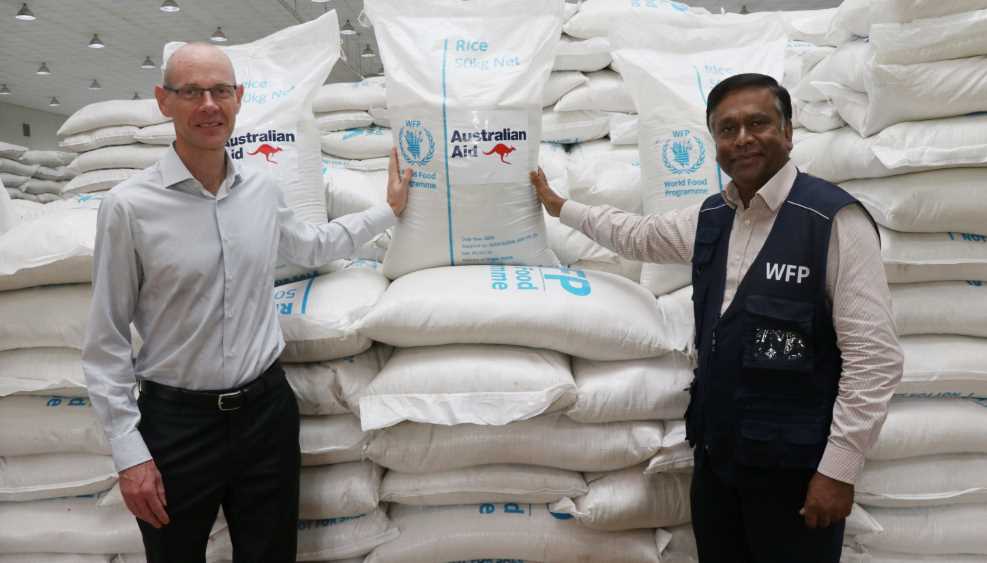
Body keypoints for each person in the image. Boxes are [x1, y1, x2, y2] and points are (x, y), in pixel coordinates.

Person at [531, 73, 902, 562]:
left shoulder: (832, 221)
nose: (743, 138)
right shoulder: (712, 217)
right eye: (727, 129)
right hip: (719, 462)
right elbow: (639, 235)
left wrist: (838, 470)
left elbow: (874, 358)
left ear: (788, 132)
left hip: (795, 471)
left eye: (758, 123)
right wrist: (562, 209)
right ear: (715, 144)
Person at [81, 43, 410, 563]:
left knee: (270, 554)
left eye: (220, 91)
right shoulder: (129, 207)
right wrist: (129, 455)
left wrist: (386, 213)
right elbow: (105, 341)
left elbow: (310, 246)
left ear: (239, 99)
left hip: (266, 414)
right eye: (191, 92)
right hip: (176, 425)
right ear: (164, 102)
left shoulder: (260, 188)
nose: (208, 104)